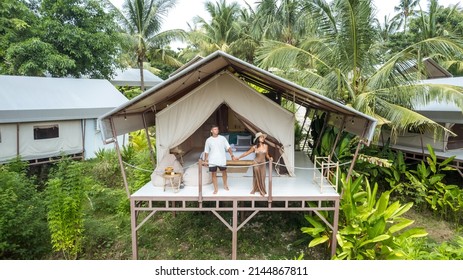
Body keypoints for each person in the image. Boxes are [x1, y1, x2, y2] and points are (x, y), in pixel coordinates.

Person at [203, 125, 237, 194]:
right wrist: (206, 160)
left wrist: (232, 155)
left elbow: (228, 147)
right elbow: (206, 151)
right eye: (215, 129)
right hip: (212, 160)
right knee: (213, 174)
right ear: (211, 131)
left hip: (221, 159)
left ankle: (225, 185)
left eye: (217, 129)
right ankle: (215, 189)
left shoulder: (222, 138)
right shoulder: (208, 140)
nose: (216, 130)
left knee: (224, 172)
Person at [237, 132, 273, 196]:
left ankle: (261, 189)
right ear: (258, 138)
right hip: (256, 162)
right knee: (256, 175)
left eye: (263, 137)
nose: (263, 138)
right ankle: (256, 189)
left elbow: (267, 155)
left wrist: (270, 158)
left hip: (263, 163)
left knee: (262, 176)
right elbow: (247, 153)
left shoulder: (266, 146)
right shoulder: (254, 147)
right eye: (261, 137)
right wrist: (239, 157)